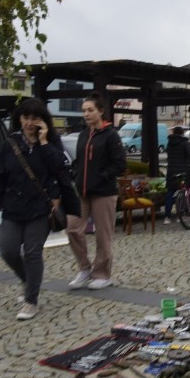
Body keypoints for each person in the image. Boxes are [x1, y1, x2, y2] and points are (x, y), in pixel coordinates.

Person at [0, 98, 68, 320]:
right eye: (26, 118)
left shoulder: (50, 142)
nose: (30, 123)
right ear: (19, 118)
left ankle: (31, 300)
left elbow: (60, 167)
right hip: (13, 206)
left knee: (32, 252)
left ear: (42, 120)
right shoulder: (10, 144)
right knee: (8, 250)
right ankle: (27, 280)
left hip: (40, 207)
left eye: (34, 118)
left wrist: (44, 142)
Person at [67, 92, 127, 290]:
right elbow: (78, 160)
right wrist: (76, 175)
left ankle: (102, 274)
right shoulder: (84, 134)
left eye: (90, 110)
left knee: (103, 235)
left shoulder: (111, 135)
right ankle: (84, 268)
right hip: (82, 191)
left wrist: (101, 175)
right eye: (84, 110)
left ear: (100, 111)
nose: (86, 114)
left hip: (104, 193)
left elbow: (119, 163)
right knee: (73, 228)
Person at [164, 125, 190, 224]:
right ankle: (181, 216)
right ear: (182, 133)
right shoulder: (184, 142)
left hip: (171, 171)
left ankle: (167, 217)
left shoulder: (169, 143)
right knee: (183, 193)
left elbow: (169, 156)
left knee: (170, 193)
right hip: (183, 171)